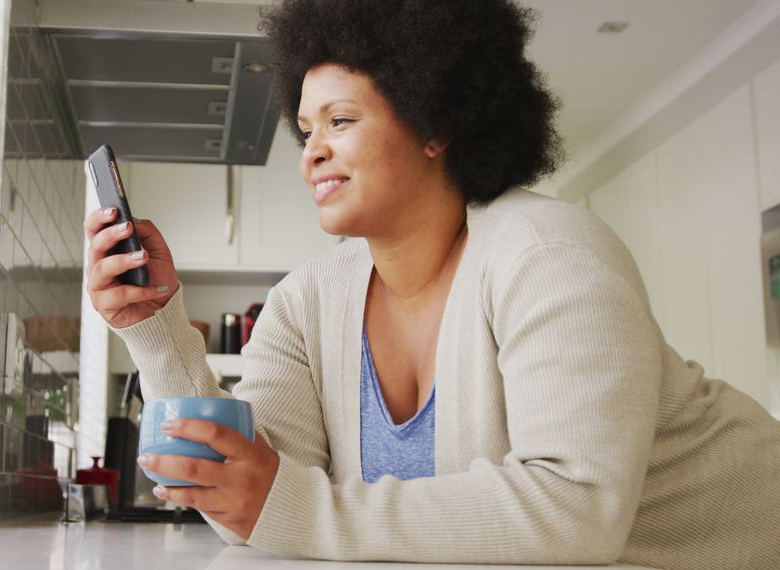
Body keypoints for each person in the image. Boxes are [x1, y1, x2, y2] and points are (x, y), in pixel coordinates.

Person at [83, 0, 780, 567]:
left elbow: (576, 511)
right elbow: (255, 505)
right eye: (306, 128)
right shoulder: (304, 305)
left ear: (435, 123)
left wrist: (292, 505)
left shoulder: (549, 252)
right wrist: (153, 324)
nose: (312, 152)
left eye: (342, 120)